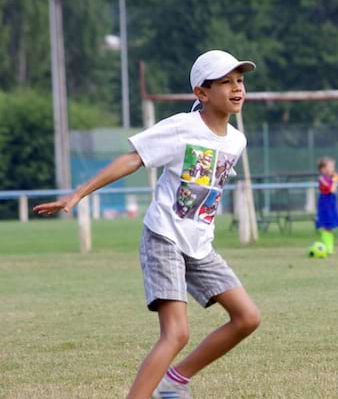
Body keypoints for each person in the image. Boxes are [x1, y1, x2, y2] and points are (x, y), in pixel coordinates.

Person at [34, 50, 261, 399]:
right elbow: (132, 159)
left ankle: (175, 381)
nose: (237, 89)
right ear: (201, 93)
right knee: (176, 334)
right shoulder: (181, 127)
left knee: (247, 318)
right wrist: (78, 194)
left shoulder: (237, 140)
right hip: (164, 237)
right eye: (225, 82)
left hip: (199, 244)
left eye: (240, 81)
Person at [315, 156, 338, 254]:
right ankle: (327, 247)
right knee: (326, 226)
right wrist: (335, 181)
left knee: (330, 227)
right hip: (325, 204)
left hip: (331, 203)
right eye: (330, 167)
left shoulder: (330, 178)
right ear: (323, 169)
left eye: (333, 167)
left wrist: (335, 180)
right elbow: (331, 189)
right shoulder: (322, 178)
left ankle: (329, 247)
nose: (333, 169)